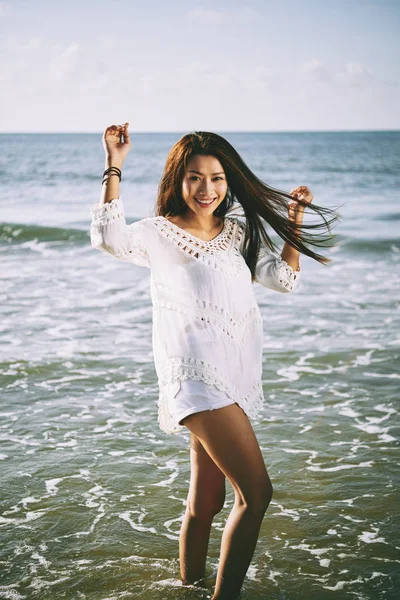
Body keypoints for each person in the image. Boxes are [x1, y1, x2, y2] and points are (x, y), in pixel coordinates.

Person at [90, 123, 340, 600]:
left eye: (218, 178)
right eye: (194, 178)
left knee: (207, 500)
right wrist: (114, 162)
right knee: (257, 492)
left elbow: (284, 280)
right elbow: (107, 237)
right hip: (193, 377)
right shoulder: (159, 233)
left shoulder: (238, 234)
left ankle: (189, 588)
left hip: (231, 376)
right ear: (176, 180)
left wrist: (295, 221)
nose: (206, 189)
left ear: (229, 182)